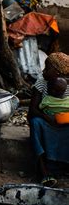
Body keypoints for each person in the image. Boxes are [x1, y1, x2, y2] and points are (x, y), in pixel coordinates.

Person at [28, 52, 69, 187]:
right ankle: (44, 172)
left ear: (57, 72)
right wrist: (49, 119)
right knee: (35, 122)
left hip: (65, 123)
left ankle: (64, 167)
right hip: (46, 121)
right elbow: (32, 110)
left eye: (47, 68)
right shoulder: (41, 82)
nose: (43, 71)